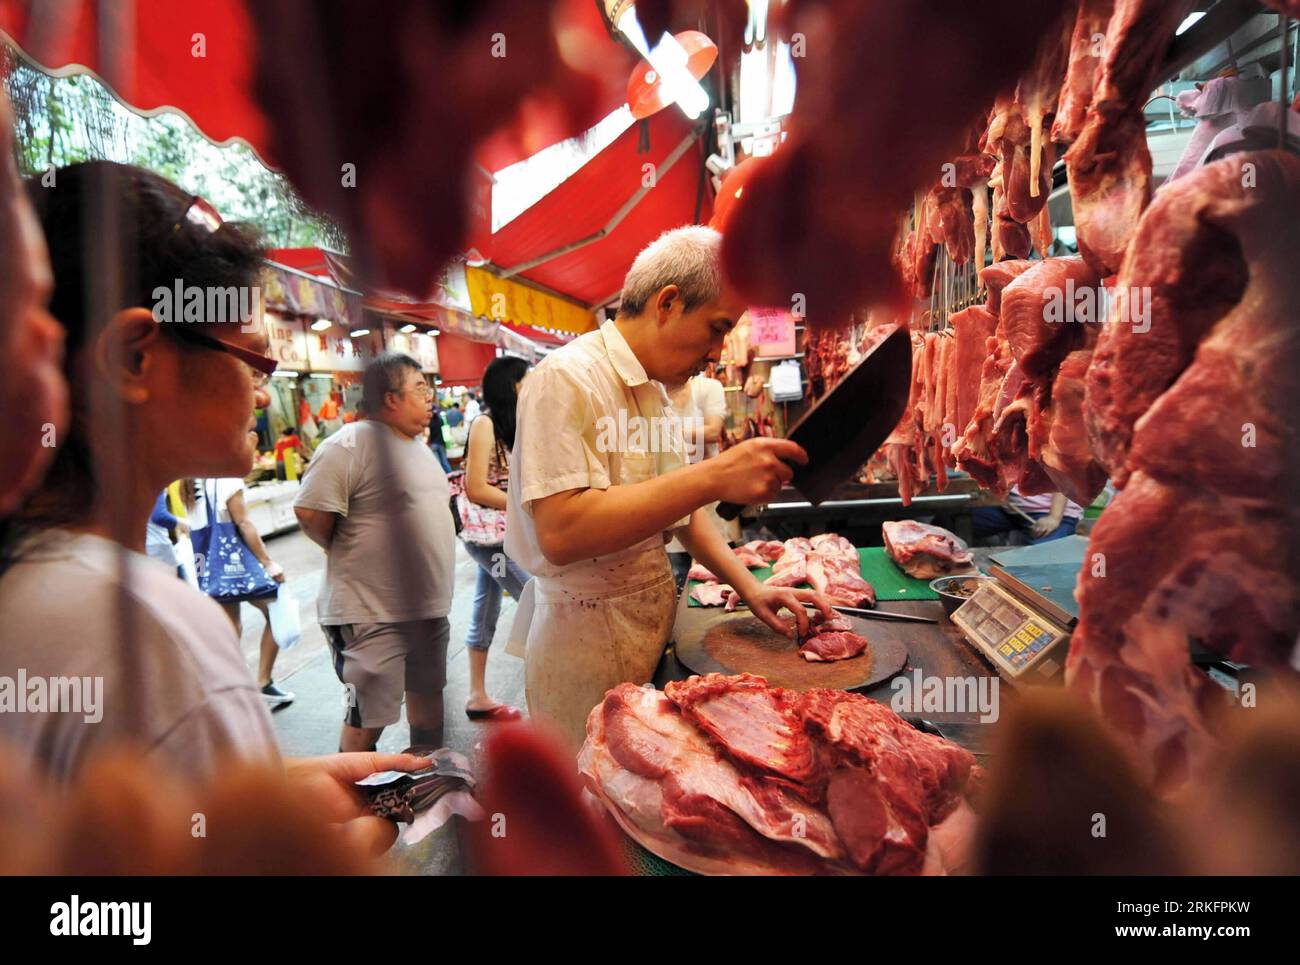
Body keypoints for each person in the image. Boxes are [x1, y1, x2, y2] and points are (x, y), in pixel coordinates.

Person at [505, 226, 832, 749]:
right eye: (717, 328)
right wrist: (713, 475)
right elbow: (562, 531)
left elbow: (676, 513)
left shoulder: (655, 390)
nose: (719, 352)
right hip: (582, 636)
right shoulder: (565, 379)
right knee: (596, 802)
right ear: (668, 303)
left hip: (649, 617)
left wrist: (748, 587)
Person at [294, 353, 457, 752]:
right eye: (419, 387)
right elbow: (311, 512)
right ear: (389, 398)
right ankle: (348, 803)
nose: (430, 395)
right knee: (368, 720)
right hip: (370, 613)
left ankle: (425, 785)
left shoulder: (417, 446)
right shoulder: (349, 444)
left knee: (429, 706)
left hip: (427, 612)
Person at [457, 355, 530, 722]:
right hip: (488, 537)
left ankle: (477, 695)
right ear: (510, 385)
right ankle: (546, 693)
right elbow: (475, 487)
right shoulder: (484, 423)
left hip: (502, 531)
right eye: (525, 380)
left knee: (486, 606)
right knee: (533, 597)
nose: (530, 385)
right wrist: (520, 506)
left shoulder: (513, 424)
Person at [185, 476, 294, 708]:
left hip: (209, 564)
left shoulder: (189, 483)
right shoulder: (226, 480)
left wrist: (203, 574)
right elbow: (243, 523)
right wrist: (267, 562)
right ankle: (263, 682)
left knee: (230, 626)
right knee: (276, 611)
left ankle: (229, 689)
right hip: (236, 564)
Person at [665, 370, 730, 592]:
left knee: (718, 574)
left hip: (708, 491)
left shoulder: (708, 388)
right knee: (680, 574)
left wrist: (660, 433)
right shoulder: (652, 392)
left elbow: (712, 432)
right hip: (672, 491)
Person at [972, 486, 1083, 546]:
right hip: (1011, 508)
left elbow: (1064, 477)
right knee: (965, 521)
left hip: (1051, 512)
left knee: (1045, 556)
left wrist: (1054, 517)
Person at [144, 487, 189, 577]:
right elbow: (159, 516)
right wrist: (182, 523)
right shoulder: (155, 481)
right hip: (158, 546)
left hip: (139, 546)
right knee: (180, 586)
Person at [428, 402, 452, 473]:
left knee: (437, 464)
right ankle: (451, 475)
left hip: (433, 444)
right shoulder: (441, 420)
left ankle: (442, 478)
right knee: (445, 462)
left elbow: (427, 434)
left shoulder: (429, 422)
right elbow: (445, 432)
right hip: (442, 443)